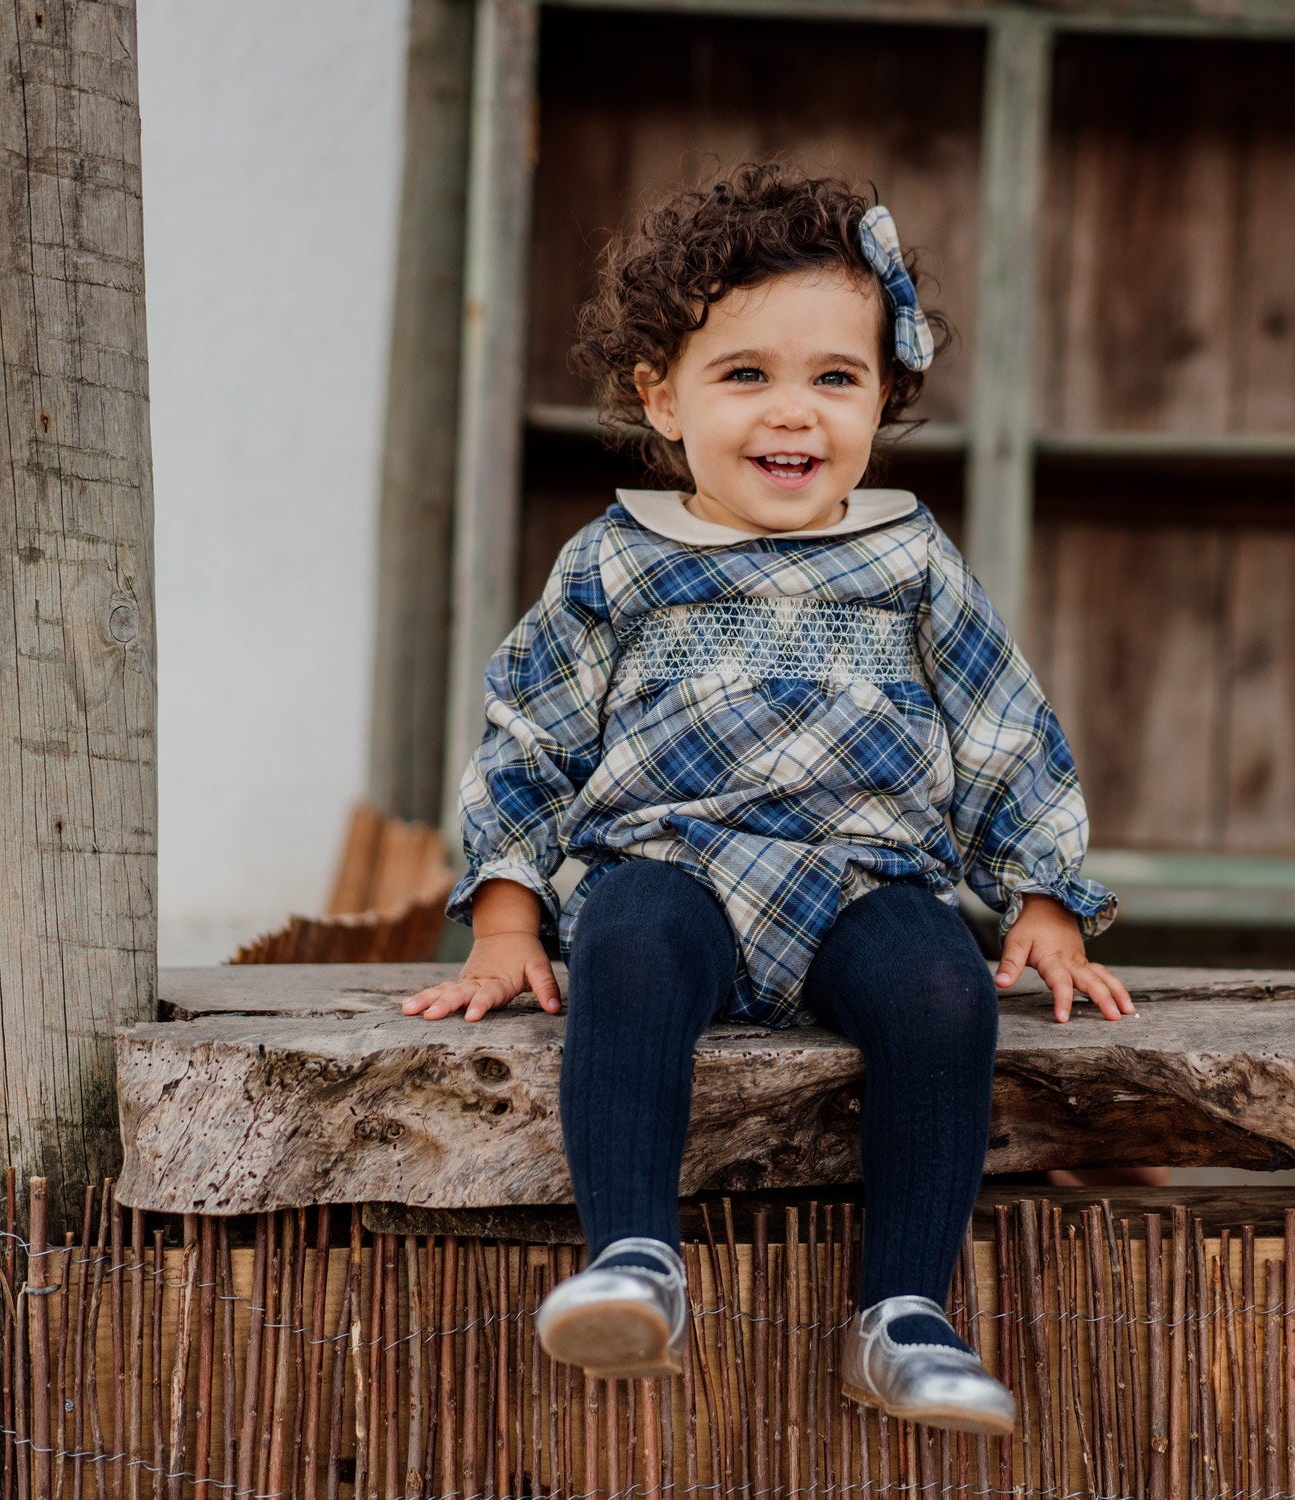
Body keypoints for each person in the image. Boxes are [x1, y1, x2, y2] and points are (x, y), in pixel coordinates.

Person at [402, 163, 1136, 1437]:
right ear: (661, 396)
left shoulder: (909, 560)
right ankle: (635, 1258)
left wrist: (1043, 900)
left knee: (943, 993)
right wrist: (511, 920)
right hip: (670, 870)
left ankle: (904, 1315)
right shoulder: (615, 563)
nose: (792, 414)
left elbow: (1002, 724)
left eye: (834, 379)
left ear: (883, 398)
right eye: (745, 375)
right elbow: (530, 737)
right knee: (624, 950)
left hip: (865, 880)